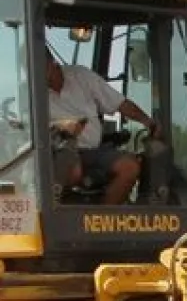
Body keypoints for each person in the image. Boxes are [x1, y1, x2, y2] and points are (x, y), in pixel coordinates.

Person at [46, 48, 162, 204]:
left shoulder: (81, 76)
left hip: (92, 150)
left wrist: (147, 121)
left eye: (42, 68)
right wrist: (62, 126)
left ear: (52, 64)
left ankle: (100, 221)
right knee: (72, 169)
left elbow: (118, 102)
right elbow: (26, 130)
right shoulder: (30, 91)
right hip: (53, 152)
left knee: (130, 167)